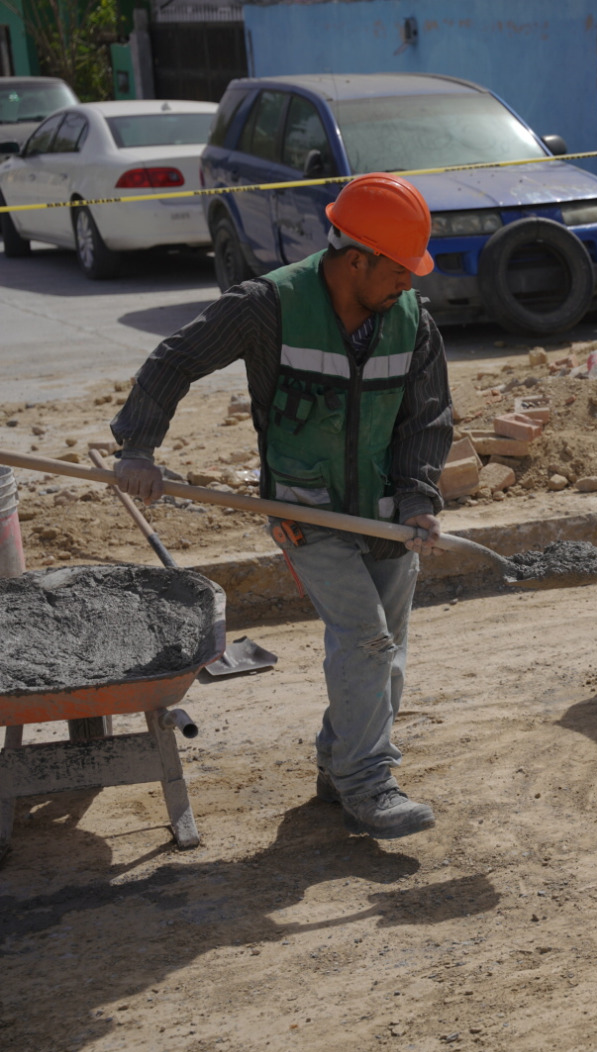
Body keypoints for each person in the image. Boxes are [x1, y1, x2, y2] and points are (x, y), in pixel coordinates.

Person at [111, 173, 453, 839]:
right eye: (399, 269)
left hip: (385, 512)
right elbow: (176, 358)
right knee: (366, 639)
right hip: (305, 511)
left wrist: (417, 497)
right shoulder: (270, 305)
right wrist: (139, 447)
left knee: (388, 649)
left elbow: (427, 418)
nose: (408, 283)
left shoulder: (412, 323)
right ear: (356, 257)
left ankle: (337, 758)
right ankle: (366, 783)